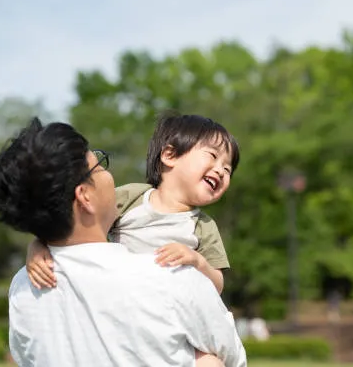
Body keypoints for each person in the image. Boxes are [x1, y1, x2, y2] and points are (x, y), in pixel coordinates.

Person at [0, 117, 246, 366]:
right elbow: (232, 356)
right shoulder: (176, 280)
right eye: (99, 166)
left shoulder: (24, 288)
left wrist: (40, 244)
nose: (110, 177)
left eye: (228, 168)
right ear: (85, 196)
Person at [26, 113, 240, 295]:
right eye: (212, 156)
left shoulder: (203, 226)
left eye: (228, 169)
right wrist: (38, 246)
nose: (221, 170)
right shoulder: (134, 197)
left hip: (167, 306)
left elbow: (217, 286)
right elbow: (76, 219)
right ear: (170, 155)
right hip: (117, 293)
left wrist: (197, 261)